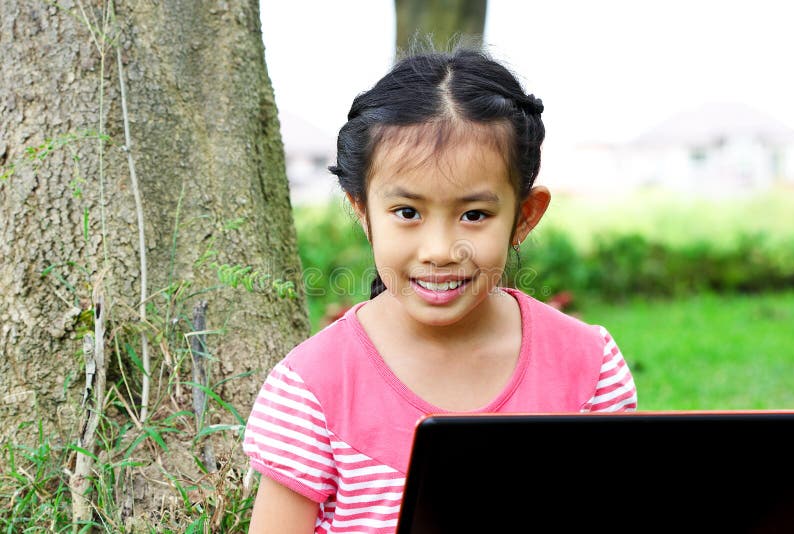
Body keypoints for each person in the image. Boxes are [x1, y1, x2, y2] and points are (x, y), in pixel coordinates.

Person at [243, 45, 637, 534]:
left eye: (474, 215)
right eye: (407, 213)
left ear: (525, 217)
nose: (439, 250)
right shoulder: (312, 388)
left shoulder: (589, 366)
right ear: (363, 211)